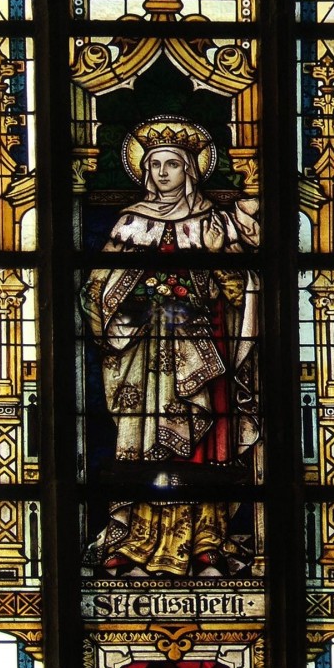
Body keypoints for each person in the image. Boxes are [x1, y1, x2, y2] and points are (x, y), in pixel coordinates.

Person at [81, 118, 260, 577]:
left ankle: (206, 542)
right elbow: (97, 287)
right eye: (154, 165)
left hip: (203, 348)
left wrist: (218, 270)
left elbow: (238, 292)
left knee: (203, 445)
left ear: (190, 170)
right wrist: (134, 302)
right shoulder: (130, 222)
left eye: (172, 164)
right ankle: (138, 541)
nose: (162, 173)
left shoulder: (213, 223)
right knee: (145, 443)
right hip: (141, 354)